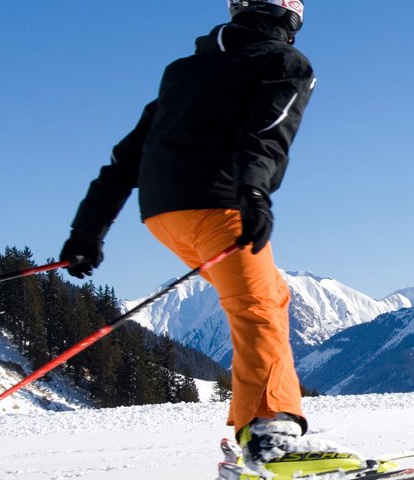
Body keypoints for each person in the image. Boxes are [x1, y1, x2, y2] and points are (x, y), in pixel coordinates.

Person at [59, 1, 362, 477]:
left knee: (270, 298)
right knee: (257, 307)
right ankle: (270, 439)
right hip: (217, 207)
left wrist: (87, 231)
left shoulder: (184, 72)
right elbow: (267, 133)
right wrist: (255, 191)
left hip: (162, 215)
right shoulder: (285, 64)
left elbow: (127, 157)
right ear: (289, 18)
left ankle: (258, 427)